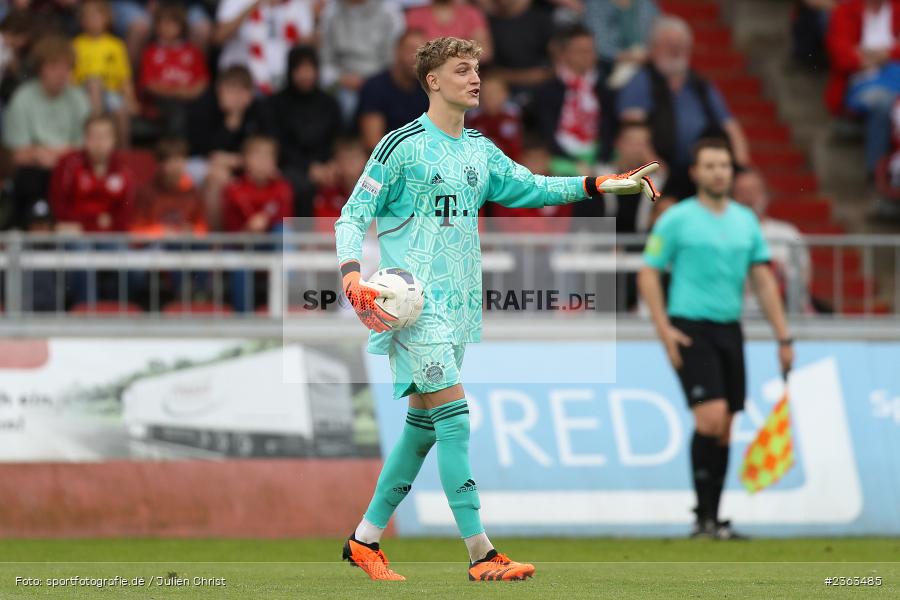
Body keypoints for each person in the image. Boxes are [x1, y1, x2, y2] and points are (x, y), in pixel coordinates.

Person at [335, 36, 659, 581]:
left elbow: (530, 187)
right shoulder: (401, 145)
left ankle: (363, 540)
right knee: (456, 420)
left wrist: (599, 183)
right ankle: (481, 554)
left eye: (477, 69)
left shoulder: (479, 150)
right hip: (413, 308)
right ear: (433, 81)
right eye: (462, 70)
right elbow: (352, 214)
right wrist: (350, 274)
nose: (475, 78)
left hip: (461, 307)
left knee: (423, 429)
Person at [637, 138, 794, 540]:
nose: (718, 172)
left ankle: (712, 517)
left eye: (724, 165)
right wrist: (663, 328)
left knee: (725, 425)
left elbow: (762, 279)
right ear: (695, 172)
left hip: (730, 328)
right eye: (709, 166)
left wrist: (783, 336)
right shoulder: (676, 219)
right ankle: (702, 516)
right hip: (690, 326)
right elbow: (648, 272)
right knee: (710, 416)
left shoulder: (745, 221)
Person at [619, 16, 750, 200]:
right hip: (660, 169)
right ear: (653, 48)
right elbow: (633, 133)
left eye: (681, 44)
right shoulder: (641, 81)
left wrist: (741, 169)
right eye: (669, 44)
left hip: (701, 169)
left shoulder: (701, 85)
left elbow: (731, 128)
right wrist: (658, 170)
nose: (676, 50)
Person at [3, 34, 90, 229]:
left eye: (66, 68)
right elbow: (16, 153)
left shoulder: (79, 99)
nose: (61, 73)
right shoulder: (22, 98)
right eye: (54, 67)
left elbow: (87, 147)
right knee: (30, 178)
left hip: (69, 169)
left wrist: (50, 155)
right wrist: (54, 155)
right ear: (40, 69)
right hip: (34, 171)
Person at [266, 45, 343, 217]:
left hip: (327, 166)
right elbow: (278, 145)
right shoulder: (275, 104)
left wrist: (331, 164)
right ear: (290, 71)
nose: (305, 75)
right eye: (299, 69)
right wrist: (309, 167)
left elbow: (338, 139)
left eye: (310, 68)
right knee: (303, 186)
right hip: (290, 166)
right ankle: (303, 241)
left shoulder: (329, 103)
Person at [222, 135, 293, 312]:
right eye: (257, 156)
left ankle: (282, 308)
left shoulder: (282, 187)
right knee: (240, 261)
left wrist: (264, 221)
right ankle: (242, 318)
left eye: (268, 156)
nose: (263, 161)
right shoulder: (234, 188)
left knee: (283, 234)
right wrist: (251, 229)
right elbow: (233, 230)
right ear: (245, 160)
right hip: (241, 245)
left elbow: (281, 222)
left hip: (271, 244)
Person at [732, 169, 813, 315]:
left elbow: (803, 276)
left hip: (784, 312)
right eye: (741, 192)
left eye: (753, 190)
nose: (748, 197)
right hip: (739, 316)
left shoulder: (788, 233)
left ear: (765, 194)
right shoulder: (723, 234)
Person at [318, 0, 405, 124]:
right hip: (344, 81)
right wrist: (340, 78)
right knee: (343, 102)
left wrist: (372, 82)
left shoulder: (389, 10)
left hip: (381, 78)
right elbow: (324, 59)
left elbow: (394, 56)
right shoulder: (330, 11)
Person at [138, 2, 210, 137]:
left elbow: (202, 81)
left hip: (190, 97)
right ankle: (175, 150)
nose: (167, 28)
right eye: (163, 23)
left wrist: (188, 93)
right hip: (162, 100)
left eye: (172, 23)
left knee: (203, 108)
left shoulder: (193, 51)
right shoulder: (151, 52)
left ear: (181, 27)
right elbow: (149, 84)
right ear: (156, 26)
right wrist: (175, 92)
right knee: (176, 111)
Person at [215, 0, 317, 94]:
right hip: (244, 87)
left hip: (283, 86)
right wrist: (254, 6)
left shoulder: (297, 5)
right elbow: (219, 37)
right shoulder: (236, 2)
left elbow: (306, 47)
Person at [73, 0, 138, 146]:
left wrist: (131, 100)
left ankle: (123, 152)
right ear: (82, 21)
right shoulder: (75, 45)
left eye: (97, 15)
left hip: (111, 92)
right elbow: (70, 77)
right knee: (94, 82)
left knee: (121, 110)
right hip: (82, 92)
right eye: (88, 16)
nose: (93, 20)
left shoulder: (117, 45)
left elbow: (124, 78)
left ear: (107, 18)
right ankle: (98, 130)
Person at [357, 29, 429, 152]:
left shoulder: (429, 88)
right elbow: (373, 143)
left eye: (423, 53)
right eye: (411, 50)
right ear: (397, 52)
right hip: (387, 161)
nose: (417, 57)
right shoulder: (375, 87)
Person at [465, 69, 523, 161]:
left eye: (495, 92)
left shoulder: (514, 114)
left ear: (505, 94)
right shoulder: (473, 117)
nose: (491, 97)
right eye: (486, 93)